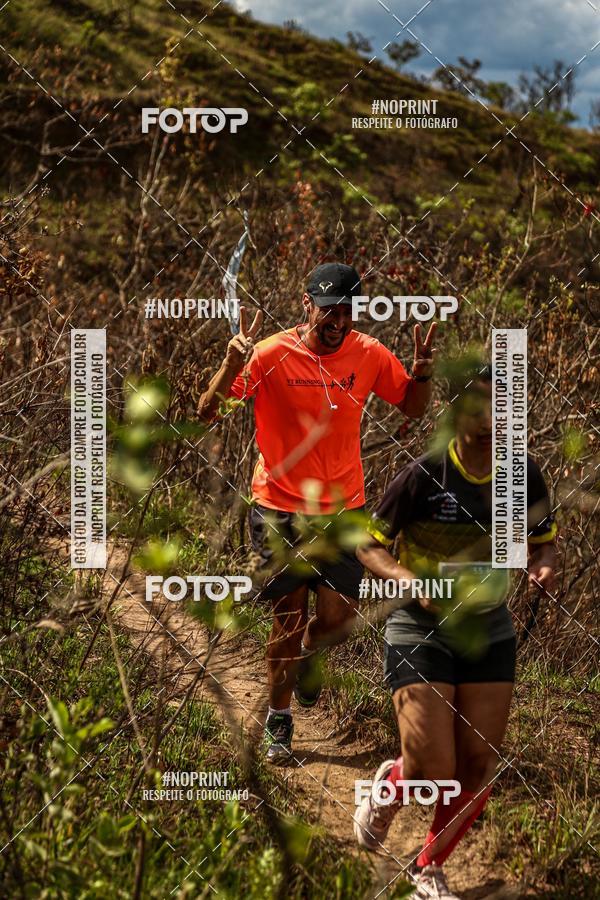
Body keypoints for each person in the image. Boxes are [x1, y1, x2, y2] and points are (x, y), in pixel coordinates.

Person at [198, 262, 436, 763]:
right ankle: (279, 720)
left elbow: (412, 407)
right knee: (287, 618)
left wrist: (423, 373)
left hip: (344, 512)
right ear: (307, 304)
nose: (338, 318)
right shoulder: (269, 353)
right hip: (279, 508)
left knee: (336, 619)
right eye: (329, 308)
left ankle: (311, 657)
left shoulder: (368, 353)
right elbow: (208, 410)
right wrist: (229, 362)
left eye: (347, 309)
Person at [354, 364, 556, 899]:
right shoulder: (426, 472)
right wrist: (406, 577)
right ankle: (392, 786)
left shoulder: (523, 477)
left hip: (489, 631)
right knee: (431, 768)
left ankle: (429, 867)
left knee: (476, 766)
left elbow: (544, 541)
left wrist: (543, 565)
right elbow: (368, 543)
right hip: (419, 628)